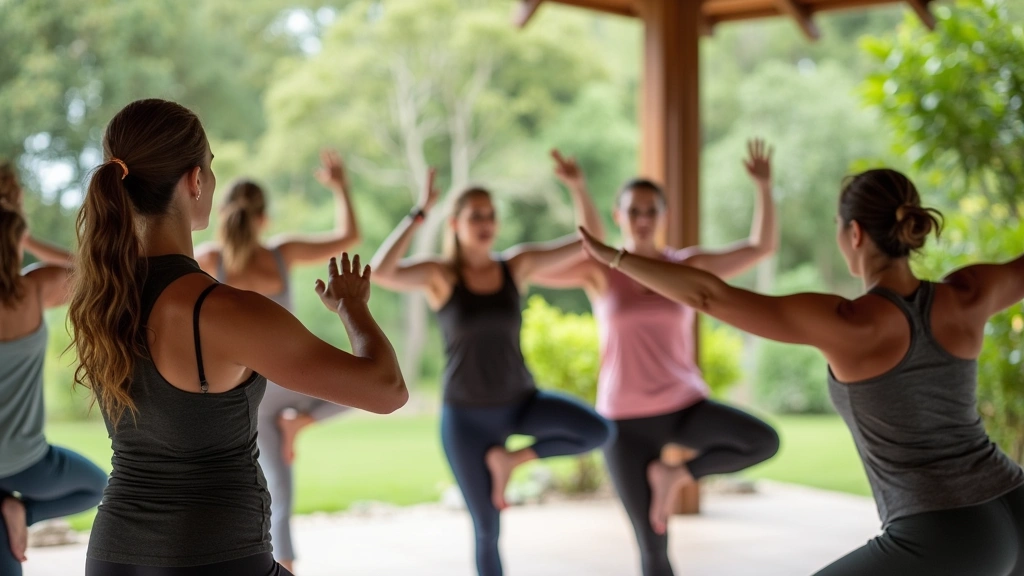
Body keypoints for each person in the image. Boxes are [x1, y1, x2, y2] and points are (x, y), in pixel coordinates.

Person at [578, 168, 1024, 576]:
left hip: (945, 529)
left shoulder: (850, 323)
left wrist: (615, 258)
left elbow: (709, 297)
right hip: (1013, 500)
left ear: (854, 233)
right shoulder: (969, 293)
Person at [69, 98, 407, 576]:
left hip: (112, 556)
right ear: (194, 180)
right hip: (212, 553)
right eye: (209, 165)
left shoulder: (100, 301)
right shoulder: (223, 311)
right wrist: (353, 307)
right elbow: (387, 390)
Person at [532, 141, 781, 576]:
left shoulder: (687, 267)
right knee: (652, 546)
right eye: (634, 211)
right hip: (624, 420)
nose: (643, 220)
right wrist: (577, 189)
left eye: (651, 211)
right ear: (618, 216)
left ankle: (676, 475)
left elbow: (760, 247)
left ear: (663, 217)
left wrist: (763, 186)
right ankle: (668, 485)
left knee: (763, 440)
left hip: (684, 405)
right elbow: (539, 265)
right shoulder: (601, 273)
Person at [370, 164, 615, 576]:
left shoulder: (515, 266)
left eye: (490, 215)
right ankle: (501, 465)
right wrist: (420, 210)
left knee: (599, 430)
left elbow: (590, 241)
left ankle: (510, 461)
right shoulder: (441, 276)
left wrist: (577, 185)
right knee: (487, 528)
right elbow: (381, 271)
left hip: (521, 402)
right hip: (466, 418)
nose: (485, 223)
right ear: (456, 224)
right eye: (475, 216)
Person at [196, 150, 360, 573]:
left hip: (243, 393)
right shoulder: (282, 253)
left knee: (271, 496)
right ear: (264, 217)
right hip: (291, 381)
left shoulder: (209, 259)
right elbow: (347, 236)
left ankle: (296, 425)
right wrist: (340, 186)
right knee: (364, 385)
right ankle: (302, 421)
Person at [0, 163, 107, 576]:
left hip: (21, 460)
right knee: (99, 485)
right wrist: (27, 238)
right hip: (26, 462)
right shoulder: (33, 289)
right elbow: (91, 271)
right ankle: (17, 511)